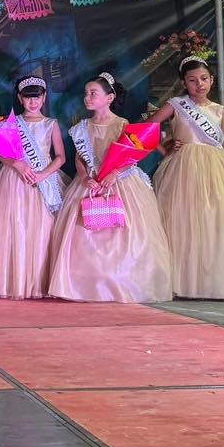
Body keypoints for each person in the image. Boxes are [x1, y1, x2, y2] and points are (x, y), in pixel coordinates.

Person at [49, 72, 172, 304]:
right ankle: (85, 285)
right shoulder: (82, 127)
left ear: (109, 97)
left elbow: (131, 156)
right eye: (86, 93)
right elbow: (79, 158)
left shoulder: (122, 124)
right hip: (90, 183)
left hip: (120, 182)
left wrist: (114, 174)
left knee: (124, 235)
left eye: (93, 93)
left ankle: (122, 283)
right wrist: (84, 177)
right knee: (84, 234)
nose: (87, 97)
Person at [150, 56, 224, 299]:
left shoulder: (219, 110)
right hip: (183, 169)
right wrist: (165, 148)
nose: (199, 84)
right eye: (192, 80)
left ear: (212, 80)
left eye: (204, 79)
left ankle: (214, 282)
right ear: (184, 83)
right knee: (184, 222)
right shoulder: (176, 105)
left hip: (216, 169)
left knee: (213, 223)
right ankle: (184, 281)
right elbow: (147, 127)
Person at [0, 76, 66, 300]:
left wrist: (43, 174)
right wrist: (17, 164)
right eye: (28, 97)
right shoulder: (10, 122)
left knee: (41, 230)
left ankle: (39, 283)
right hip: (14, 179)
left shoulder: (51, 124)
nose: (33, 102)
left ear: (44, 97)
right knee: (14, 227)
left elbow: (60, 157)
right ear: (20, 98)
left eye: (37, 97)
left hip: (43, 180)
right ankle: (13, 282)